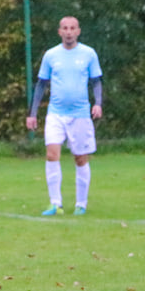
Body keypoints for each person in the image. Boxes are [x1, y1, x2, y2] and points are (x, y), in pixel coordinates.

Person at [26, 16, 103, 216]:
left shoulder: (88, 54)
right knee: (52, 153)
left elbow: (96, 81)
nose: (69, 32)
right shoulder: (51, 55)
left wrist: (98, 103)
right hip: (56, 113)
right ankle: (55, 203)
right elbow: (41, 84)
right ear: (59, 31)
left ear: (78, 31)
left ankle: (81, 203)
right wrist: (32, 114)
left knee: (80, 158)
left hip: (80, 114)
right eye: (65, 28)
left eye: (72, 28)